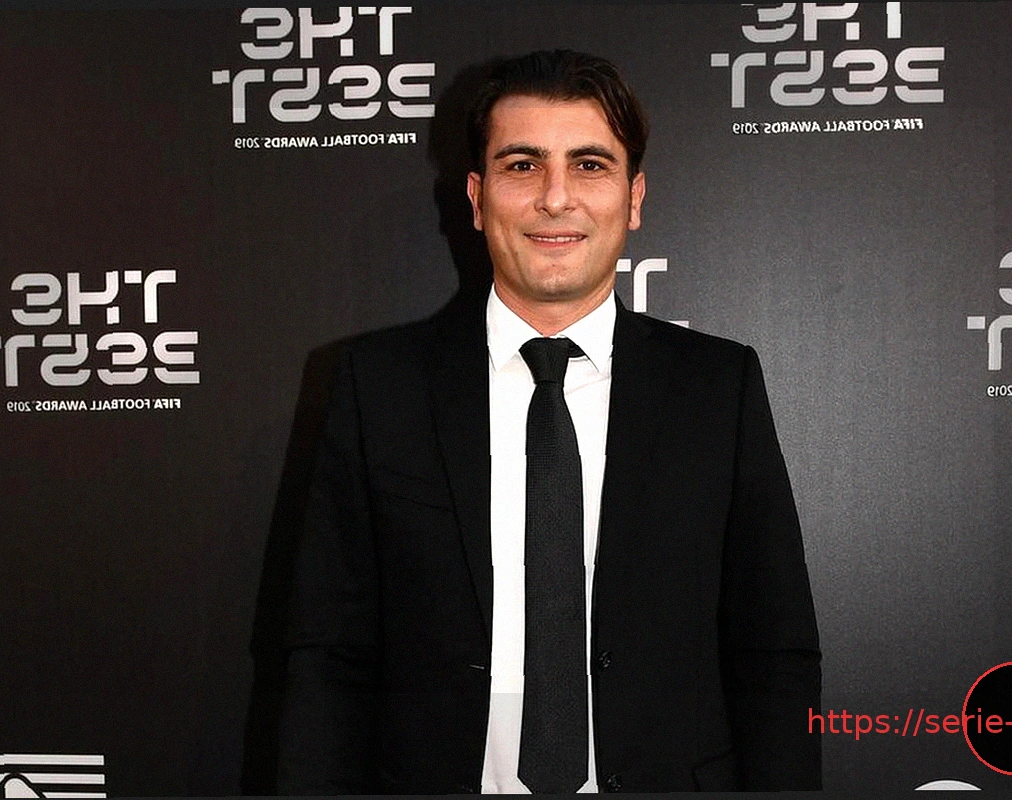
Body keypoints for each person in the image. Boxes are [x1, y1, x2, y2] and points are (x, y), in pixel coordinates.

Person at [276, 49, 820, 794]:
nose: (555, 198)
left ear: (634, 197)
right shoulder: (378, 387)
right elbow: (325, 655)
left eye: (590, 165)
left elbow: (774, 654)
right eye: (523, 164)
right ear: (477, 198)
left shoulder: (717, 388)